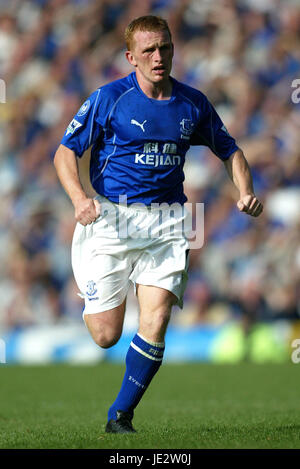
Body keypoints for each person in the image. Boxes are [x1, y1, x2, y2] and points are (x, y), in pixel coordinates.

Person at [53, 15, 263, 434]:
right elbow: (64, 152)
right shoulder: (109, 98)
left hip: (168, 222)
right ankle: (101, 302)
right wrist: (79, 199)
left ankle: (120, 416)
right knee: (106, 335)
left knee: (157, 318)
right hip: (111, 218)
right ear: (131, 57)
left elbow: (230, 151)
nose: (158, 57)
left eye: (164, 47)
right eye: (148, 50)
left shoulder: (193, 103)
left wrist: (244, 191)